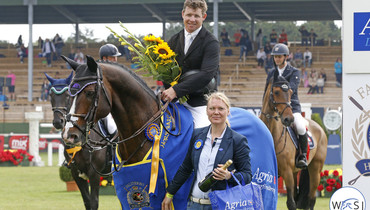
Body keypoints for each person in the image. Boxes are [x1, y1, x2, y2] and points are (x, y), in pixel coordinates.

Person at [161, 92, 252, 210]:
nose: (216, 112)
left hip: (221, 206)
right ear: (206, 111)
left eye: (221, 108)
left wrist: (229, 176)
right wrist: (170, 193)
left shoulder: (238, 140)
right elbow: (186, 168)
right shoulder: (197, 135)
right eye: (212, 108)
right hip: (194, 205)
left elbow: (247, 175)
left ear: (228, 111)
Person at [162, 0, 219, 129]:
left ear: (203, 17)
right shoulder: (173, 40)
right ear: (183, 14)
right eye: (189, 15)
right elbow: (165, 71)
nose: (192, 19)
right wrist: (169, 90)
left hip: (200, 103)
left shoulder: (211, 42)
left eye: (196, 16)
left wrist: (176, 90)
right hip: (174, 102)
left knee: (201, 135)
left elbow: (206, 75)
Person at [265, 43, 308, 168]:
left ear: (286, 57)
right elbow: (266, 92)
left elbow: (292, 88)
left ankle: (302, 155)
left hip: (291, 107)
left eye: (279, 56)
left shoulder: (294, 72)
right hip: (274, 109)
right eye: (275, 57)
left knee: (300, 126)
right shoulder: (271, 73)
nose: (277, 59)